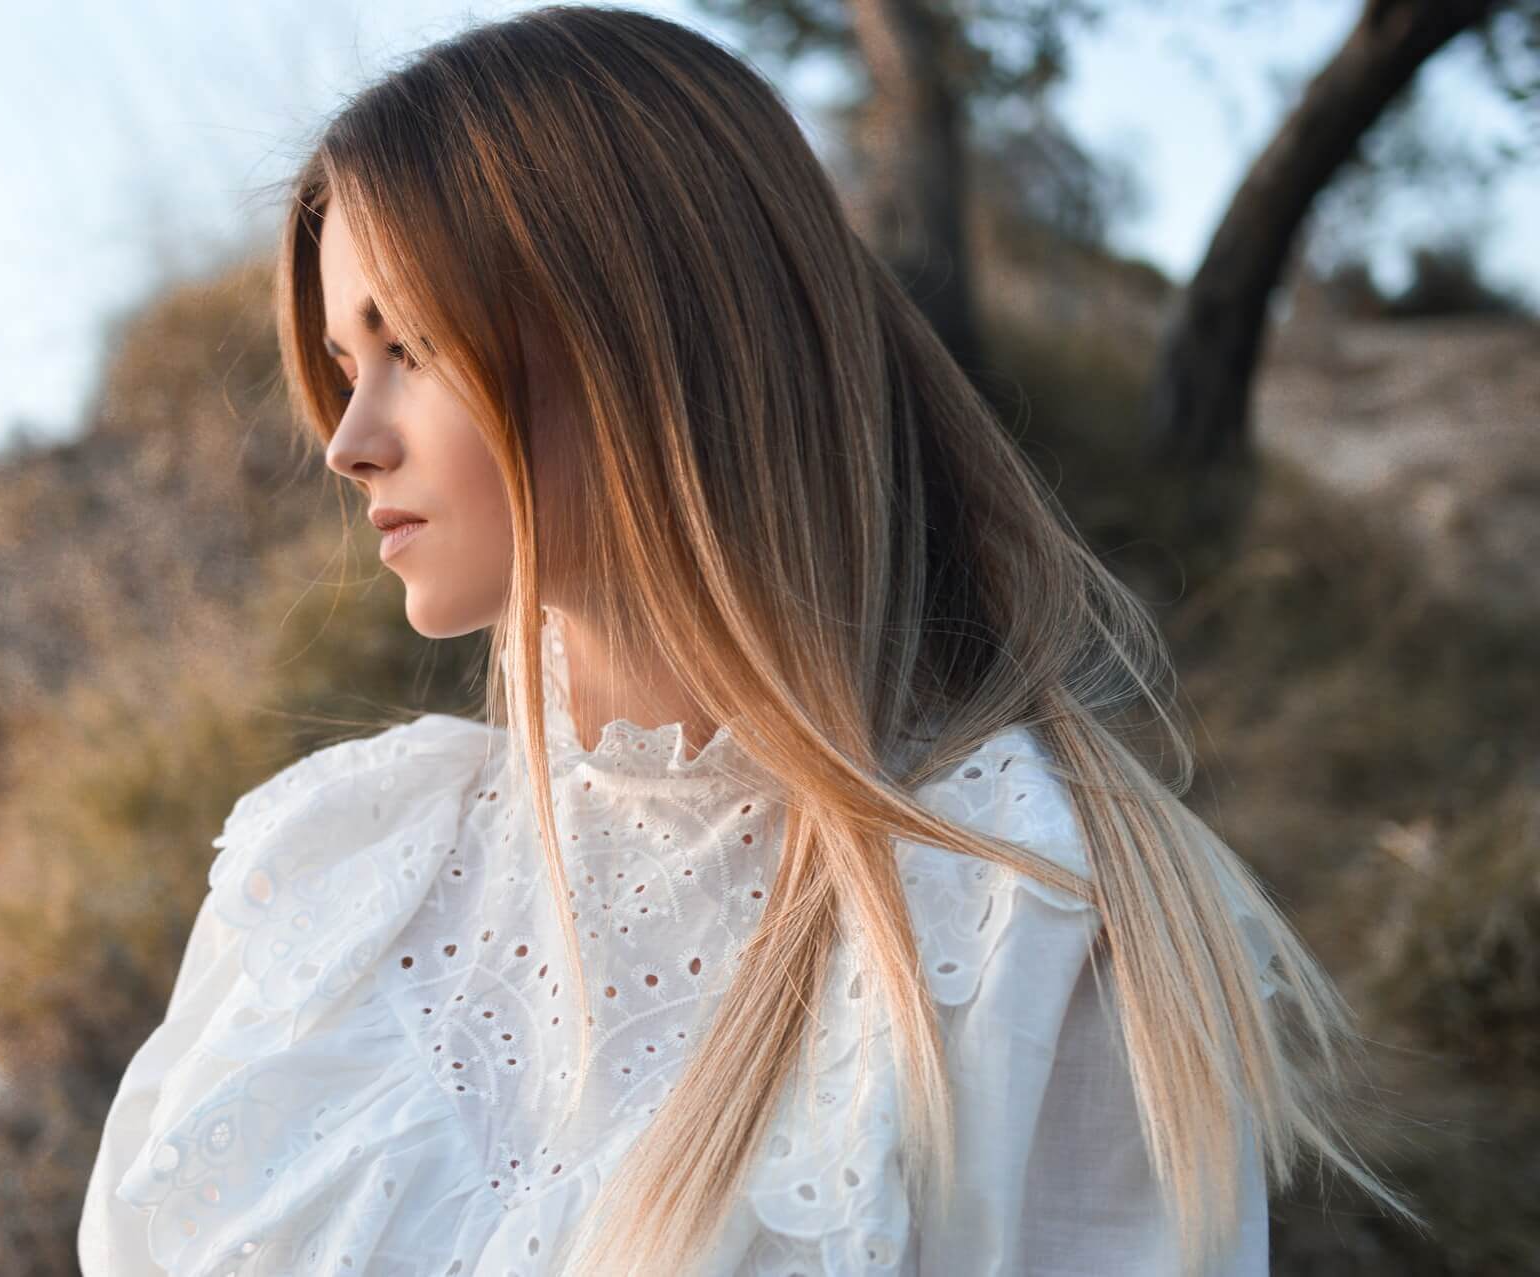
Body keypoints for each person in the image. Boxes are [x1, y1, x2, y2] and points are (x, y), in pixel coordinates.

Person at [77, 6, 1420, 1274]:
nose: (348, 438)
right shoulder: (336, 869)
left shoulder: (1028, 916)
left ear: (646, 337)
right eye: (340, 358)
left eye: (410, 345)